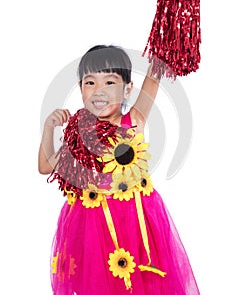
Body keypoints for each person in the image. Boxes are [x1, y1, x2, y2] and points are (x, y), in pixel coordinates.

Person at [38, 45, 200, 295]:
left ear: (127, 89)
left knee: (141, 282)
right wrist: (49, 129)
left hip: (136, 220)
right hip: (92, 225)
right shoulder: (77, 134)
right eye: (90, 82)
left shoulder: (132, 122)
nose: (99, 91)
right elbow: (45, 166)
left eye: (110, 82)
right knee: (97, 283)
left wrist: (166, 30)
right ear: (81, 89)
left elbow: (154, 78)